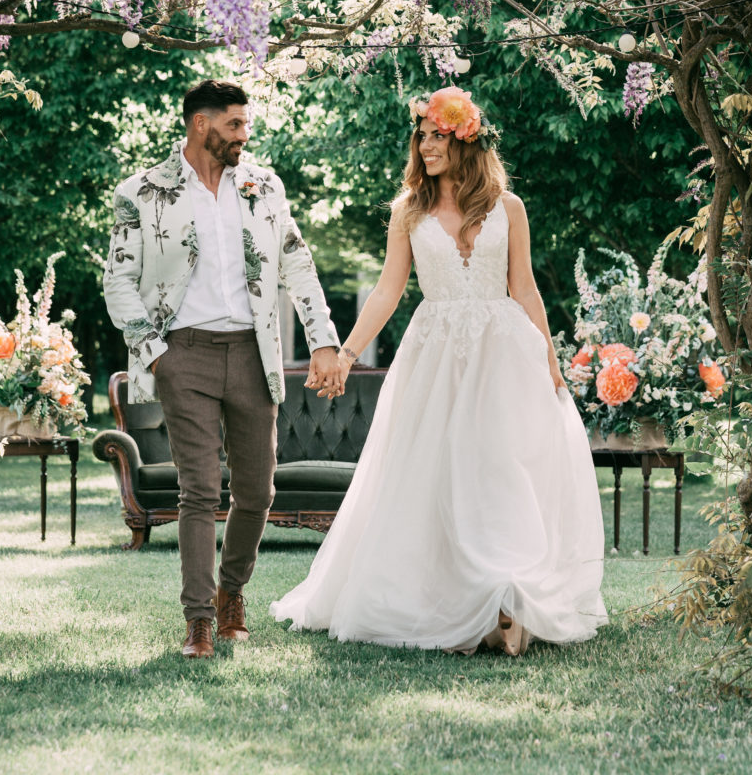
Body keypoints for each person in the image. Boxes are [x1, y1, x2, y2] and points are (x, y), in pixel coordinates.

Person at [270, 86, 608, 655]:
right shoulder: (409, 211)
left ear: (465, 139)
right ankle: (457, 602)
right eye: (421, 137)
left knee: (502, 471)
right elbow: (386, 290)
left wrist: (549, 359)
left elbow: (523, 288)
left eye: (437, 135)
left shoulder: (508, 207)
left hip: (505, 355)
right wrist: (347, 353)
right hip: (437, 355)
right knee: (440, 474)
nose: (426, 146)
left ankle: (508, 595)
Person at [102, 79, 343, 659]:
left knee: (258, 492)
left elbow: (298, 266)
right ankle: (200, 619)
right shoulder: (142, 191)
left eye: (245, 125)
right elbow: (118, 281)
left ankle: (233, 592)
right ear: (200, 125)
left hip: (254, 353)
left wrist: (323, 341)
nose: (244, 135)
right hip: (183, 354)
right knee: (199, 491)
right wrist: (155, 353)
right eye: (234, 124)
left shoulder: (264, 187)